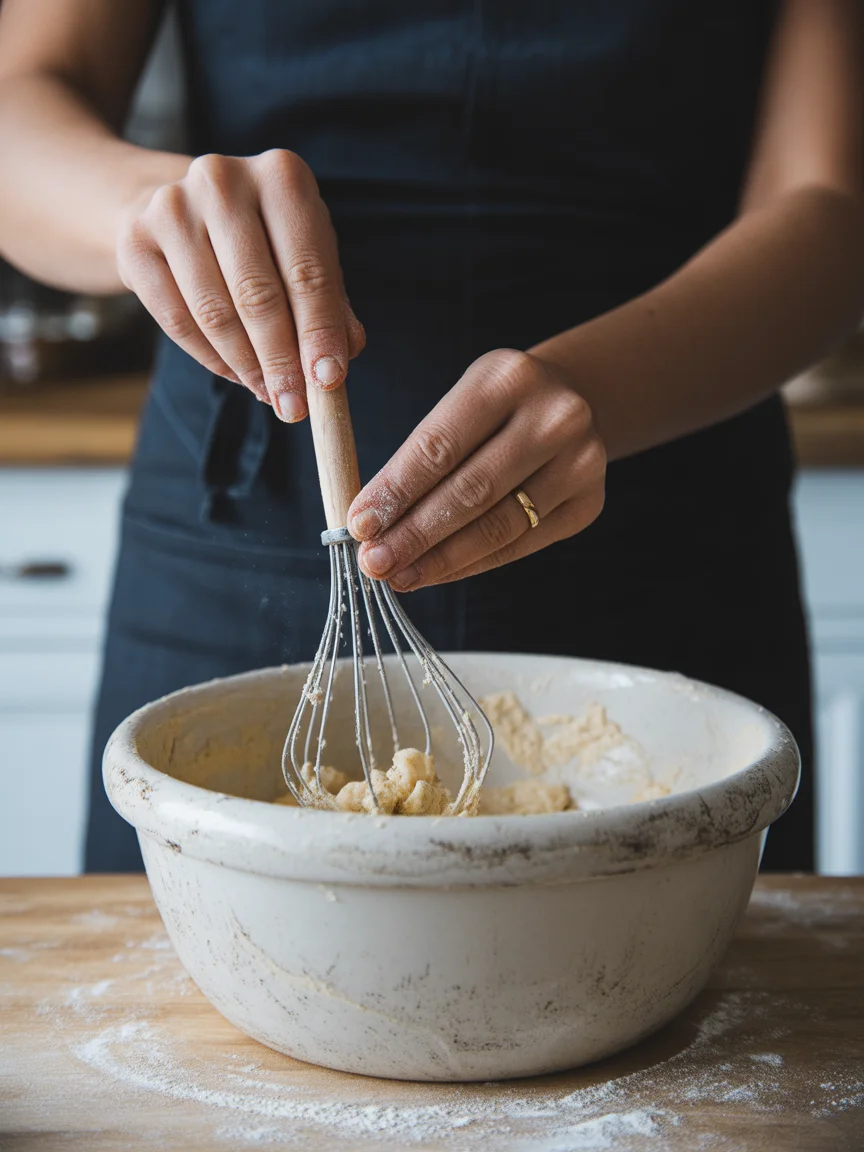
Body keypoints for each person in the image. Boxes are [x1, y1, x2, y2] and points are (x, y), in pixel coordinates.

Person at [0, 1, 862, 872]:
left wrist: (604, 390)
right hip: (239, 534)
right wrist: (147, 209)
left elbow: (830, 203)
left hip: (669, 512)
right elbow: (19, 100)